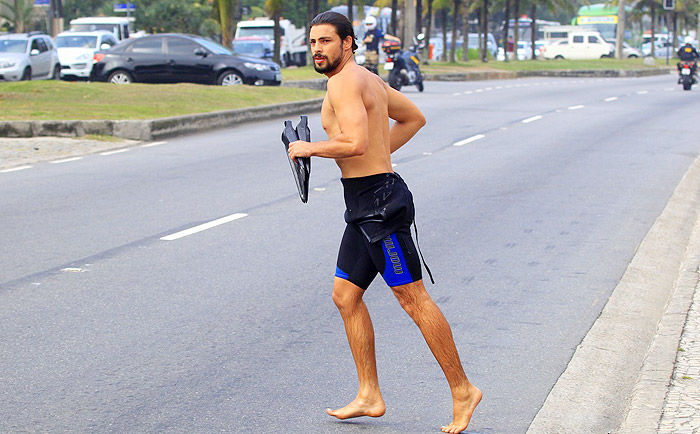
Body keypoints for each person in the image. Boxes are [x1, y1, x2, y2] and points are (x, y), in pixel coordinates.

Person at [287, 11, 482, 434]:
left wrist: (308, 148)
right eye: (313, 42)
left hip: (379, 207)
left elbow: (354, 142)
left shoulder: (345, 82)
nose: (318, 49)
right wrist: (381, 158)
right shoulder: (369, 80)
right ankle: (369, 394)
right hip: (364, 204)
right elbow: (414, 118)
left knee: (412, 298)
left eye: (326, 41)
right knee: (345, 295)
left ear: (348, 43)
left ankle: (463, 389)